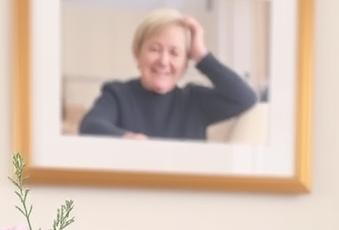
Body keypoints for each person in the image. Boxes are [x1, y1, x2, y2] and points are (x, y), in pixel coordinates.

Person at [78, 9, 258, 141]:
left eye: (174, 53)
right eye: (155, 50)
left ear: (185, 63)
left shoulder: (194, 101)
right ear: (137, 54)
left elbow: (244, 97)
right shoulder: (118, 94)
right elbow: (90, 126)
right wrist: (128, 139)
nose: (164, 61)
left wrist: (202, 56)